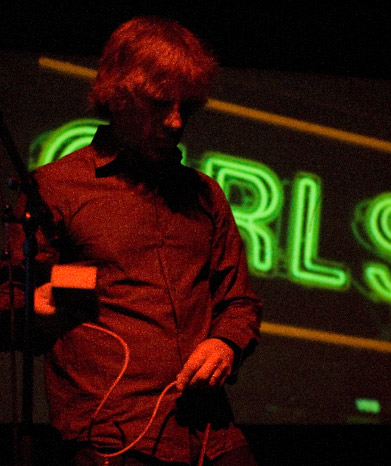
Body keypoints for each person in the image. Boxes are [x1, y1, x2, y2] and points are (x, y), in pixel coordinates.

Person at [6, 16, 262, 465]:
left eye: (188, 107)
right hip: (112, 436)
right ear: (119, 95)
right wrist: (40, 302)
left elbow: (239, 303)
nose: (176, 121)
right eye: (161, 104)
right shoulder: (55, 188)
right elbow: (8, 297)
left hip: (211, 433)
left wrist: (225, 343)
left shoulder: (206, 194)